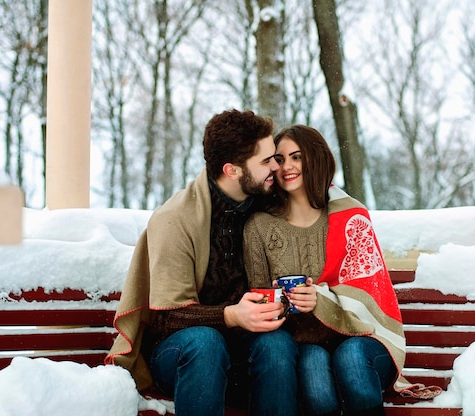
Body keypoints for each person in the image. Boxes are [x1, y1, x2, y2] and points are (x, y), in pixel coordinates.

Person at [105, 109, 299, 416]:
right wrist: (232, 316)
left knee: (277, 346)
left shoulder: (267, 206)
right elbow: (167, 317)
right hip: (181, 357)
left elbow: (320, 196)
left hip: (243, 353)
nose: (277, 166)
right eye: (266, 161)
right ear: (232, 170)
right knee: (205, 343)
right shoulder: (175, 220)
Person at [243, 125, 440, 416]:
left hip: (362, 339)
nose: (287, 167)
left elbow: (369, 294)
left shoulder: (350, 217)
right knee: (315, 378)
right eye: (280, 159)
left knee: (351, 360)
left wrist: (320, 300)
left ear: (316, 159)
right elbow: (260, 298)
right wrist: (284, 303)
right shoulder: (259, 226)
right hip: (305, 342)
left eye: (297, 157)